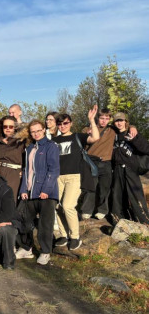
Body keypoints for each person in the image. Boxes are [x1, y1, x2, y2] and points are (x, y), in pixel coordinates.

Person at [52, 107, 99, 250]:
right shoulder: (54, 140)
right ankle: (63, 234)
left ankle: (75, 237)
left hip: (74, 177)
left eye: (65, 123)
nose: (62, 126)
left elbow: (95, 138)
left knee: (68, 205)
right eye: (60, 124)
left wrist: (91, 120)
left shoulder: (78, 136)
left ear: (70, 123)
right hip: (58, 177)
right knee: (56, 206)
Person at [80, 109, 137, 220]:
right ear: (97, 118)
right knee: (90, 188)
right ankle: (87, 210)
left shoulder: (112, 129)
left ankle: (102, 210)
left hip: (106, 163)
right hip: (91, 162)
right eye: (102, 118)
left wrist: (133, 127)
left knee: (104, 188)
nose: (104, 121)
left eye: (107, 118)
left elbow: (124, 126)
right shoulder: (87, 129)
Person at [18, 120, 60, 265]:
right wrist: (24, 189)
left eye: (38, 130)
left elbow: (54, 170)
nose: (36, 133)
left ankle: (45, 251)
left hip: (46, 194)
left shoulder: (51, 146)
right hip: (30, 192)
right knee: (26, 222)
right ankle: (26, 248)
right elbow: (26, 171)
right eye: (33, 131)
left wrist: (46, 190)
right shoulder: (30, 148)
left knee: (45, 225)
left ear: (43, 130)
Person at [111, 112, 149, 224]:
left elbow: (146, 149)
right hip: (117, 169)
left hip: (130, 169)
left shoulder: (132, 133)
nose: (119, 123)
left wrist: (133, 140)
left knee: (136, 196)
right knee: (117, 196)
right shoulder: (113, 135)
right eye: (117, 121)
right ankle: (117, 220)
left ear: (126, 122)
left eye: (121, 120)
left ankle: (144, 221)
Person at [0, 116, 27, 201]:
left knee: (10, 200)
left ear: (15, 128)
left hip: (13, 173)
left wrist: (23, 171)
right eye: (5, 126)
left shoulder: (21, 141)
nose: (8, 129)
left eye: (11, 126)